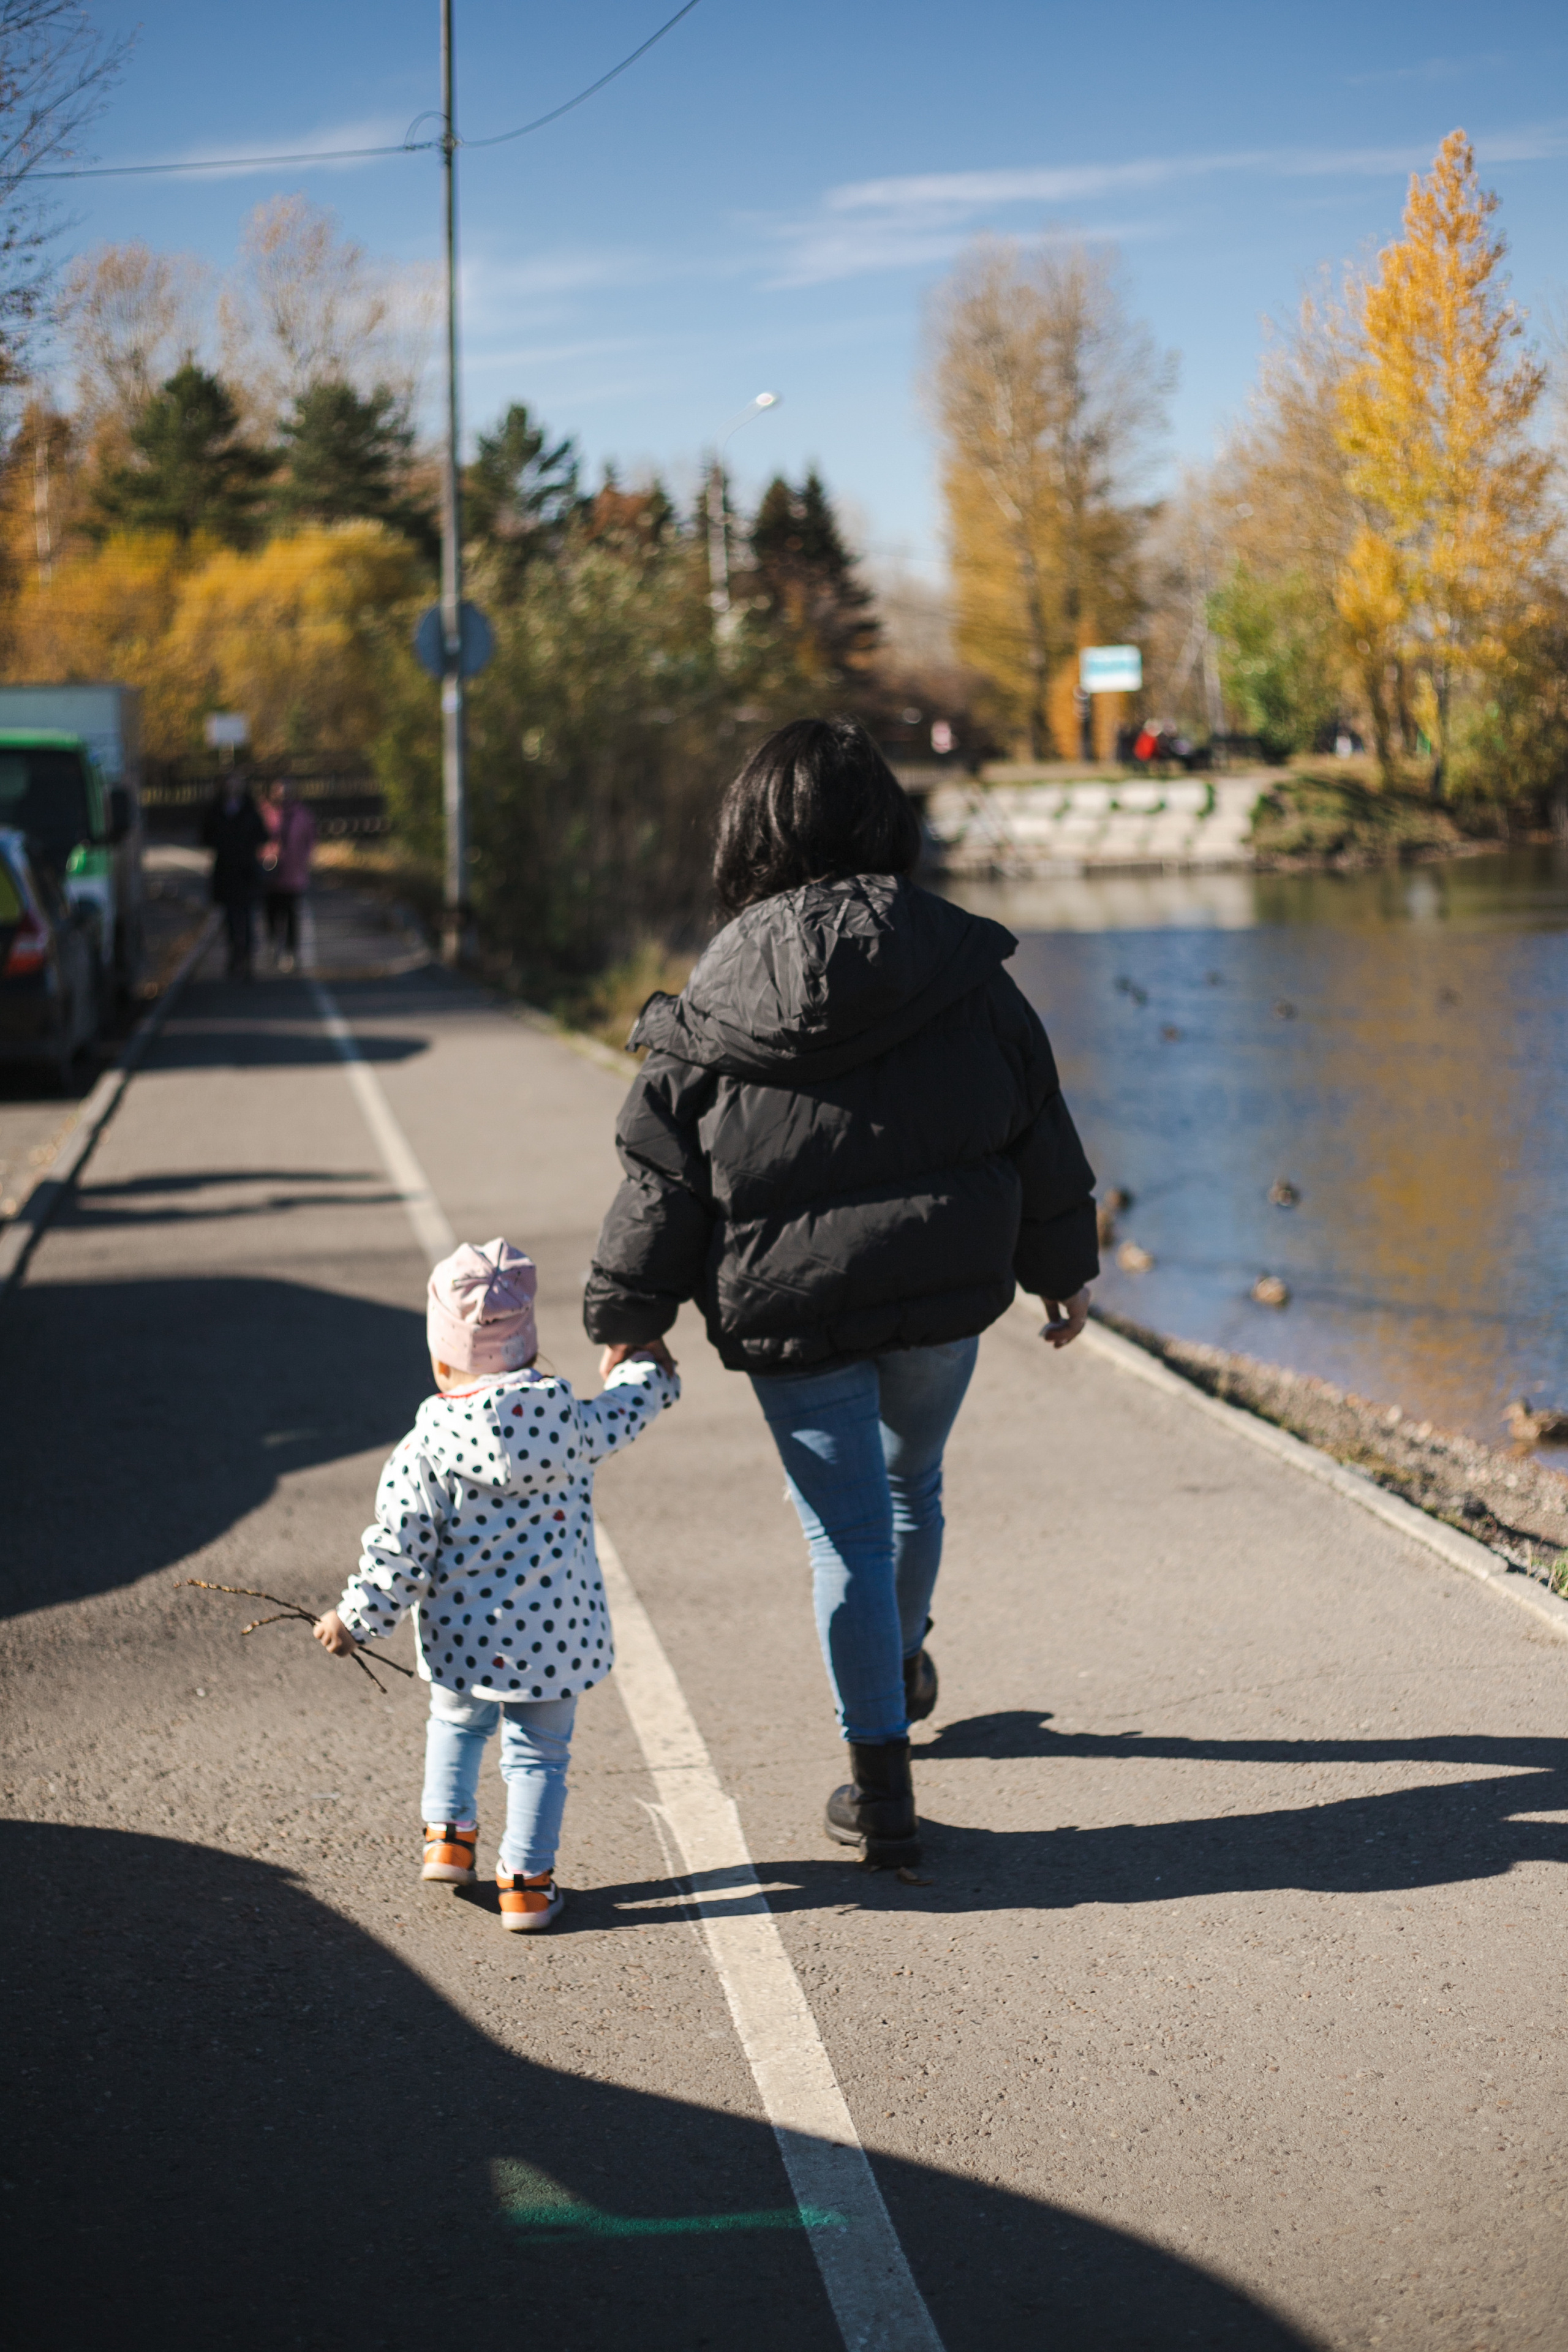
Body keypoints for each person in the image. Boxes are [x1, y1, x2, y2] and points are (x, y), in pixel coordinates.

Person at [584, 717, 1097, 1868]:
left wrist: (630, 1320)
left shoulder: (722, 981)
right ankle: (902, 1657)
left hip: (792, 1306)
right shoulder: (960, 961)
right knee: (914, 1484)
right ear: (885, 822)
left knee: (844, 1536)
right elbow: (1037, 1118)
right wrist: (1062, 1270)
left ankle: (881, 1786)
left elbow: (664, 1165)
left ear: (748, 833)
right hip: (944, 1285)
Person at [314, 1238, 679, 1930]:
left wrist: (355, 1619)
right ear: (528, 1348)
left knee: (455, 1722)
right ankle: (527, 1887)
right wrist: (647, 1371)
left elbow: (400, 1547)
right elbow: (625, 1410)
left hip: (463, 1639)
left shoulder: (425, 1446)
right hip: (556, 1642)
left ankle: (448, 1840)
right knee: (539, 1757)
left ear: (440, 1356)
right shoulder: (568, 1421)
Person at [200, 772, 266, 978]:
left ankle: (247, 958)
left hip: (246, 872)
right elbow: (205, 836)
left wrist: (245, 848)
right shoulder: (216, 810)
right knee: (230, 919)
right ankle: (234, 957)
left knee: (247, 918)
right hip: (226, 872)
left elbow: (263, 835)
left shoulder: (250, 809)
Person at [260, 780, 315, 971]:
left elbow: (310, 840)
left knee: (291, 914)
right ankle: (274, 945)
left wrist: (303, 860)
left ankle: (291, 951)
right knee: (271, 913)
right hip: (269, 872)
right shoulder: (265, 813)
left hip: (293, 873)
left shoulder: (302, 814)